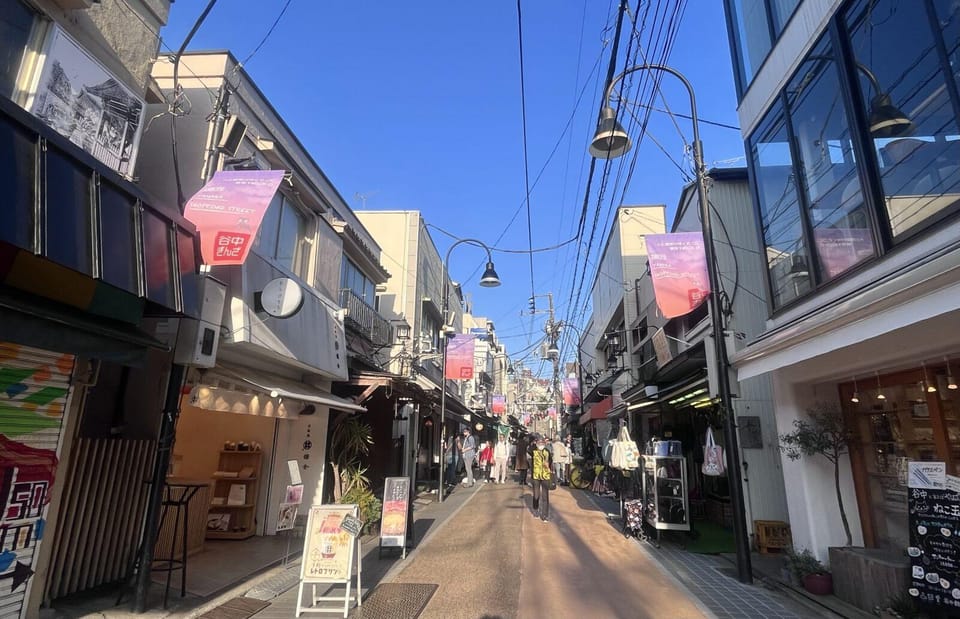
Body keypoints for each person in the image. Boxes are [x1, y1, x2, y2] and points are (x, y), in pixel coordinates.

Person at [529, 435, 554, 522]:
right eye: (539, 443)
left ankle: (545, 515)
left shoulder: (547, 451)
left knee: (545, 496)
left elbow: (550, 462)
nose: (541, 444)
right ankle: (535, 509)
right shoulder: (533, 451)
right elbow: (528, 449)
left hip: (545, 476)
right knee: (536, 495)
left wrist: (549, 469)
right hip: (536, 476)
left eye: (542, 443)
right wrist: (533, 442)